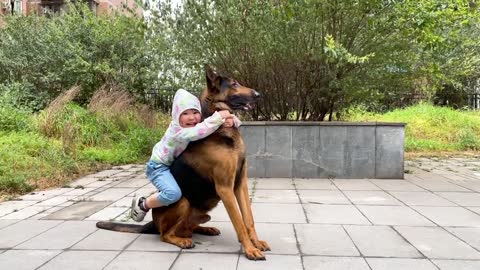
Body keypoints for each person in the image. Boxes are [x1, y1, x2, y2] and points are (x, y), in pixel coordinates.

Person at [130, 88, 241, 222]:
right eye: (185, 113)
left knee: (177, 190)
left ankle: (188, 218)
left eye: (195, 112)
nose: (192, 117)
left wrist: (232, 121)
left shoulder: (193, 125)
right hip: (158, 167)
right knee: (172, 193)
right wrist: (218, 117)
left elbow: (207, 126)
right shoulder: (178, 131)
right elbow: (199, 131)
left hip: (170, 164)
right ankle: (143, 204)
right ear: (177, 116)